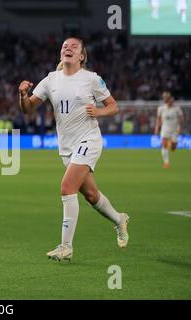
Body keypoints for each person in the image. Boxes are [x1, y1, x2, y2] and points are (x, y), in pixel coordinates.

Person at [18, 37, 129, 262]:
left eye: (74, 47)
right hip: (67, 147)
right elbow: (28, 109)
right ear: (61, 55)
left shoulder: (92, 79)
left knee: (67, 186)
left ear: (81, 56)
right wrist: (22, 95)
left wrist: (98, 112)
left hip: (88, 140)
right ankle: (120, 219)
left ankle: (66, 246)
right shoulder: (50, 80)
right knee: (90, 195)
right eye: (64, 47)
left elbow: (114, 107)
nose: (68, 48)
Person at [154, 91, 184, 168]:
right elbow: (158, 119)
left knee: (173, 148)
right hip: (165, 129)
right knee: (164, 144)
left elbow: (181, 119)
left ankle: (172, 144)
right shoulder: (161, 108)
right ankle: (166, 163)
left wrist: (180, 128)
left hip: (174, 129)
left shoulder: (177, 109)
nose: (170, 101)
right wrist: (157, 128)